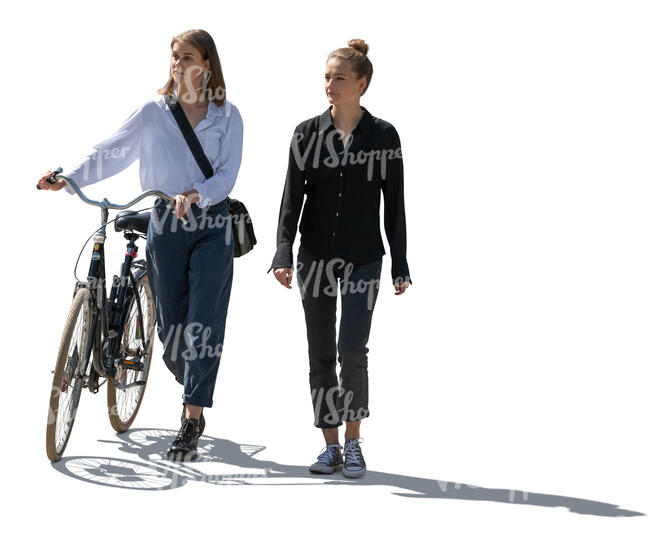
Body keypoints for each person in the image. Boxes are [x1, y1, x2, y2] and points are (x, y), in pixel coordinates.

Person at [37, 29, 244, 462]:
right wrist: (69, 178)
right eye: (173, 56)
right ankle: (189, 380)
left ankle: (191, 417)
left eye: (186, 56)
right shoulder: (154, 112)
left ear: (206, 64)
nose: (177, 63)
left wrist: (195, 195)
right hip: (165, 223)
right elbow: (110, 151)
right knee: (170, 333)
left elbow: (226, 176)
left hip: (211, 225)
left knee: (204, 320)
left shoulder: (227, 116)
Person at [268, 39, 412, 478]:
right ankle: (328, 445)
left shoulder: (384, 136)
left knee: (352, 349)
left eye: (340, 78)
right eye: (327, 77)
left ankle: (353, 442)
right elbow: (291, 198)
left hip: (364, 258)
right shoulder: (306, 134)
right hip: (314, 257)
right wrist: (282, 251)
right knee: (320, 352)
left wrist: (401, 263)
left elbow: (396, 204)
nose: (330, 85)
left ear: (361, 84)